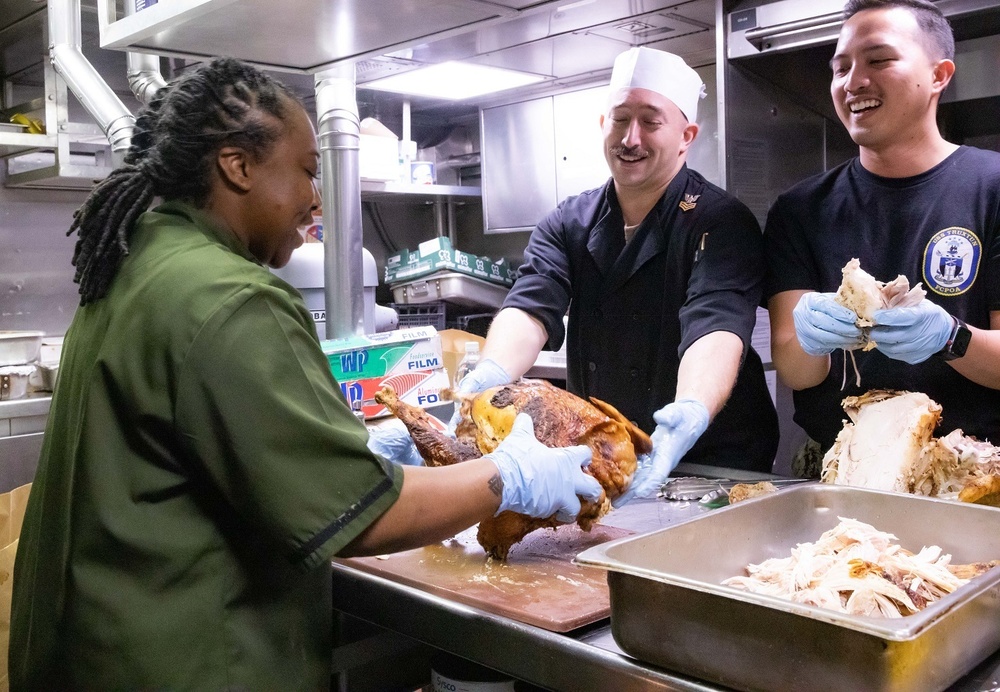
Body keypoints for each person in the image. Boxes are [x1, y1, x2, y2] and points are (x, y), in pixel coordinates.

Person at [9, 58, 602, 690]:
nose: (316, 199)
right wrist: (506, 475)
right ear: (237, 166)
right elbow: (363, 517)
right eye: (306, 173)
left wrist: (350, 452)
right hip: (188, 662)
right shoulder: (232, 298)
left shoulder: (138, 268)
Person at [454, 46, 779, 501]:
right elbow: (530, 305)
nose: (631, 138)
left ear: (686, 136)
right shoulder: (569, 221)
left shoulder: (720, 220)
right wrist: (490, 374)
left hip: (713, 461)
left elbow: (716, 323)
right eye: (620, 118)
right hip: (607, 455)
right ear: (603, 124)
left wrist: (688, 412)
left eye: (650, 121)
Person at [765, 0, 1000, 458]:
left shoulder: (991, 188)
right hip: (839, 460)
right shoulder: (799, 210)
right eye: (840, 68)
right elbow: (795, 370)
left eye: (879, 59)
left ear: (939, 75)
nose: (853, 82)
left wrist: (951, 336)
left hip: (975, 462)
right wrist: (811, 335)